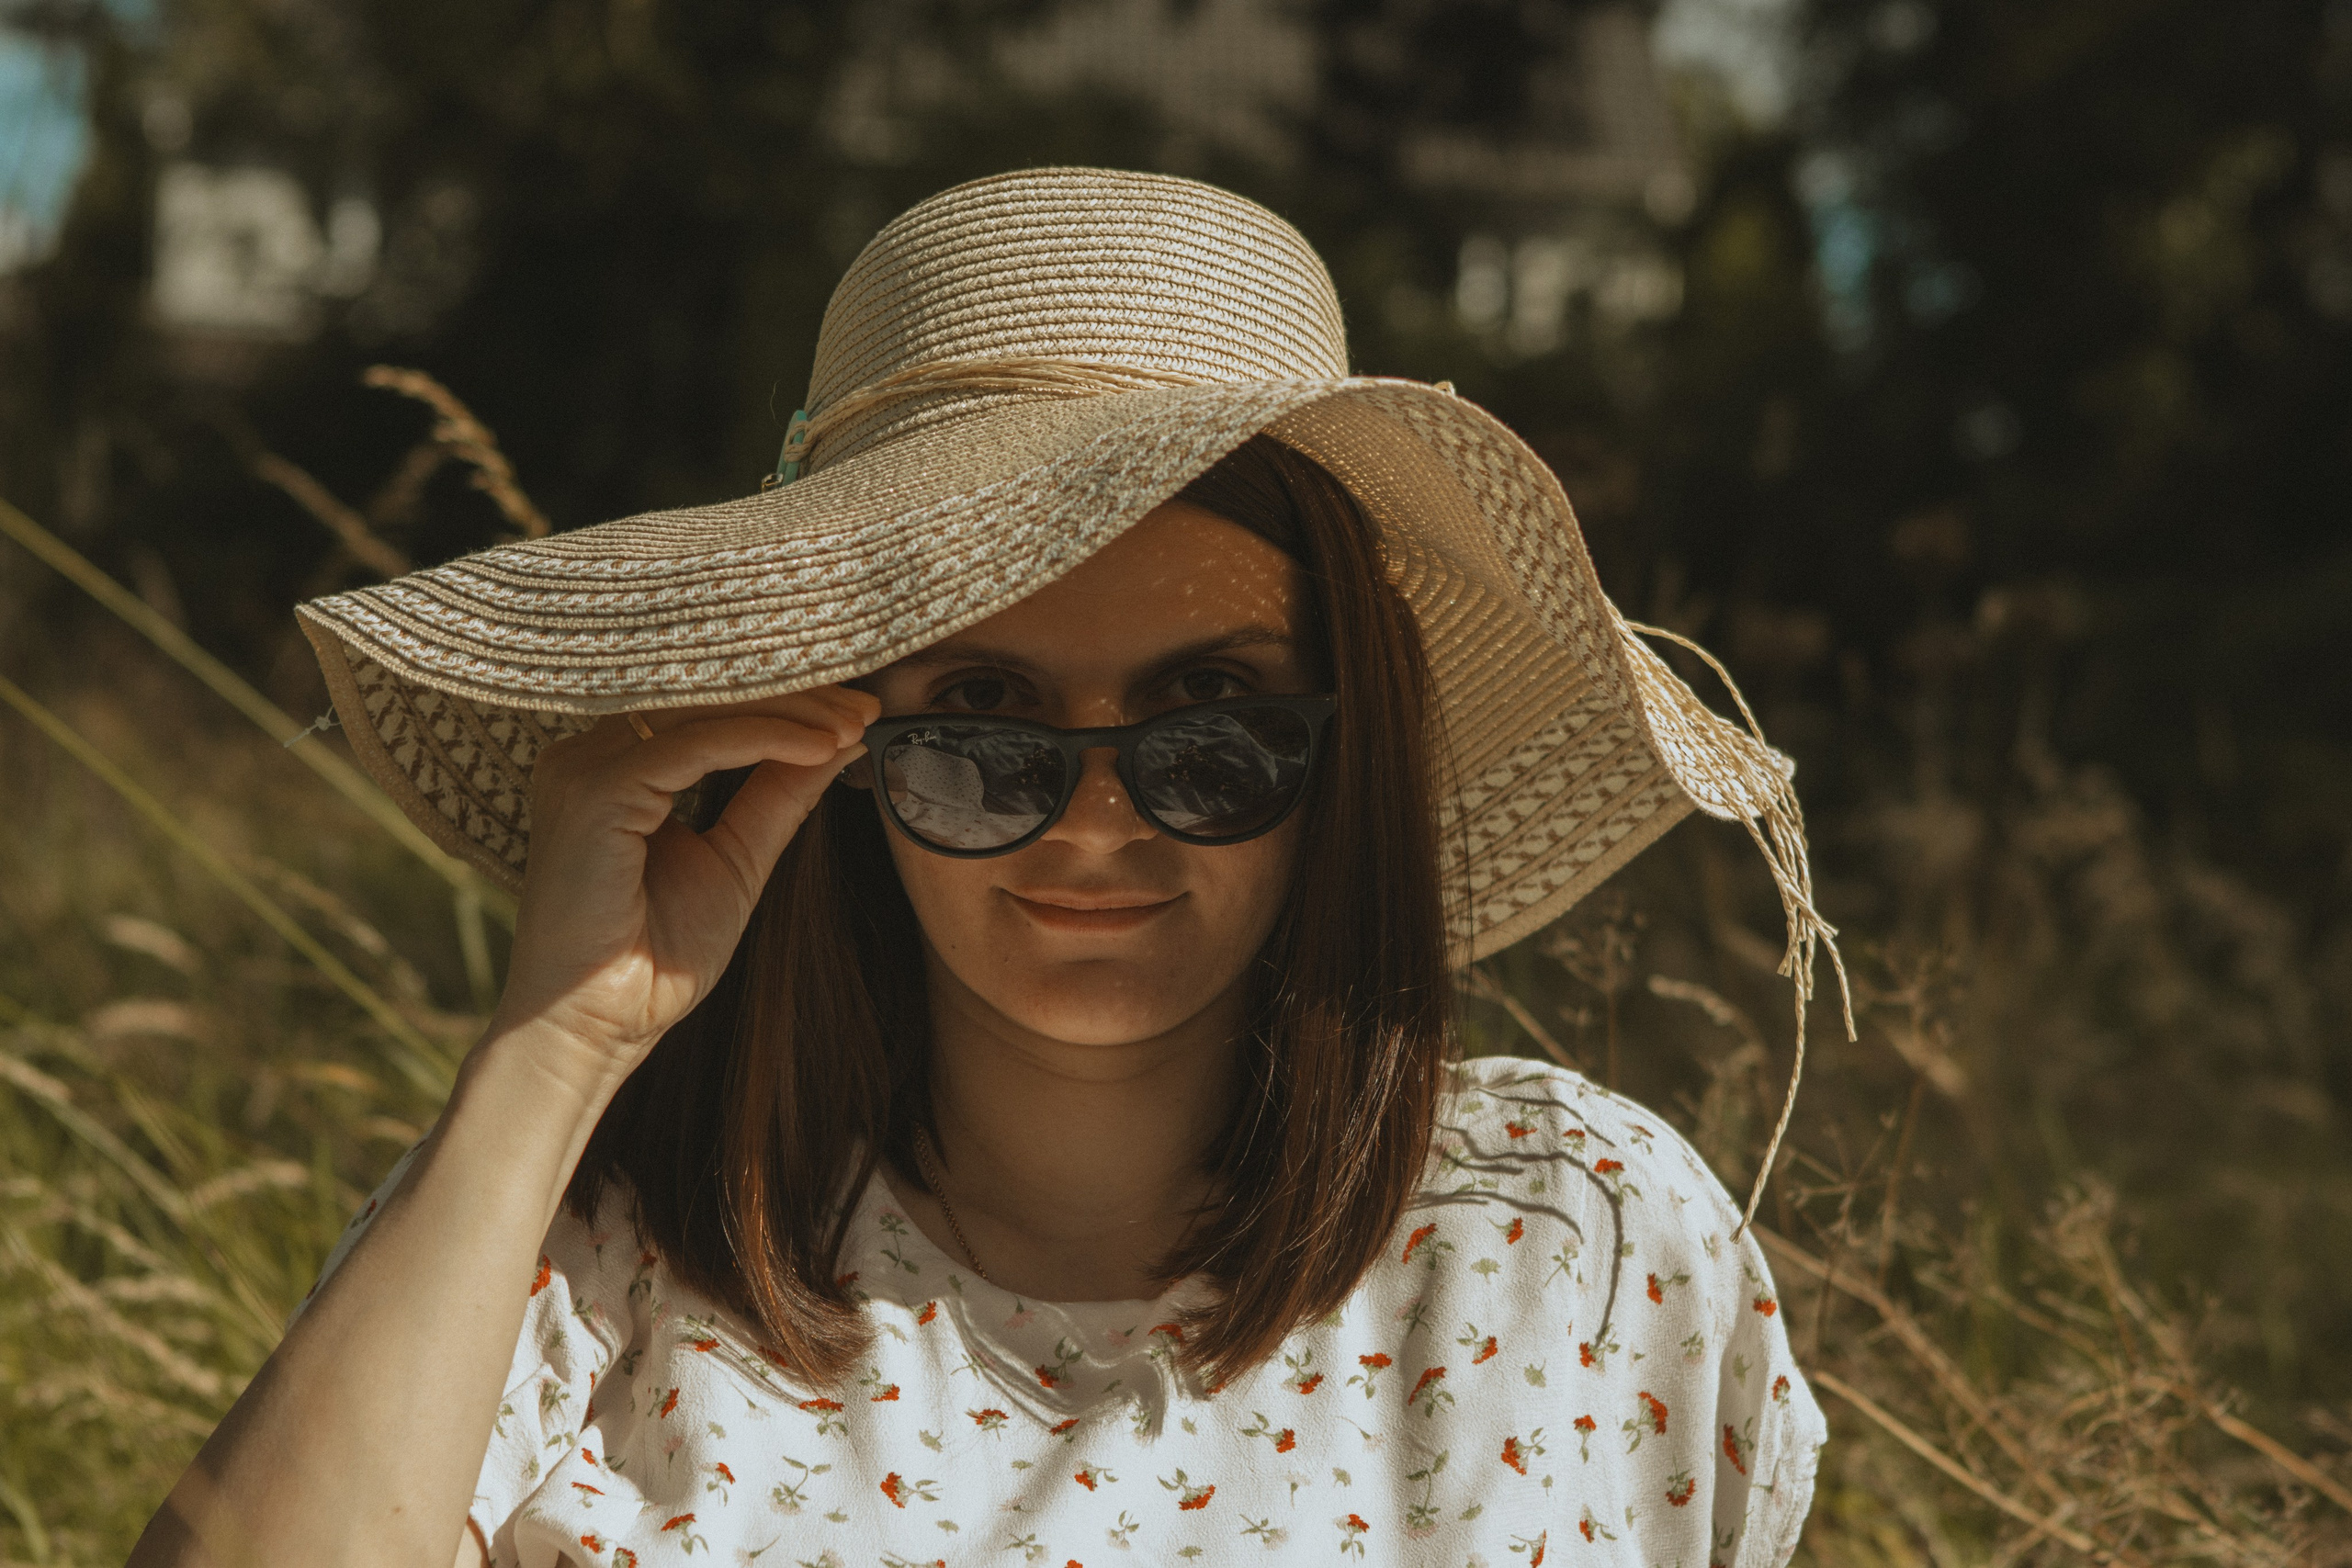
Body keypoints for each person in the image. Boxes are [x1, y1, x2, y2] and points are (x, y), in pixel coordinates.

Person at [131, 167, 1838, 1568]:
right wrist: (557, 1047)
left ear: (1346, 756)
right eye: (981, 722)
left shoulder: (1579, 1239)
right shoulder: (583, 1248)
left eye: (1212, 722)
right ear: (831, 753)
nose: (1096, 821)